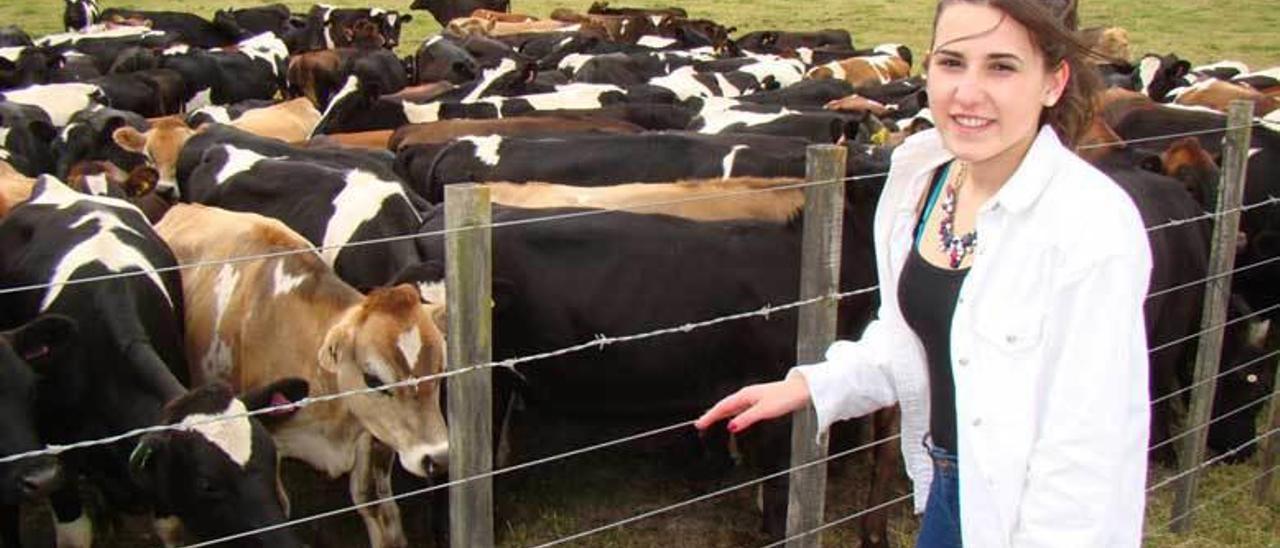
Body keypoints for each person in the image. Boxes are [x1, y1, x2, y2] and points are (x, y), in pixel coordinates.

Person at [695, 1, 1151, 546]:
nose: (968, 92)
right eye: (952, 62)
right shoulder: (924, 178)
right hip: (947, 486)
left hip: (1031, 512)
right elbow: (910, 337)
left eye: (1001, 66)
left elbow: (1087, 455)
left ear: (1054, 82)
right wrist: (813, 383)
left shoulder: (1091, 224)